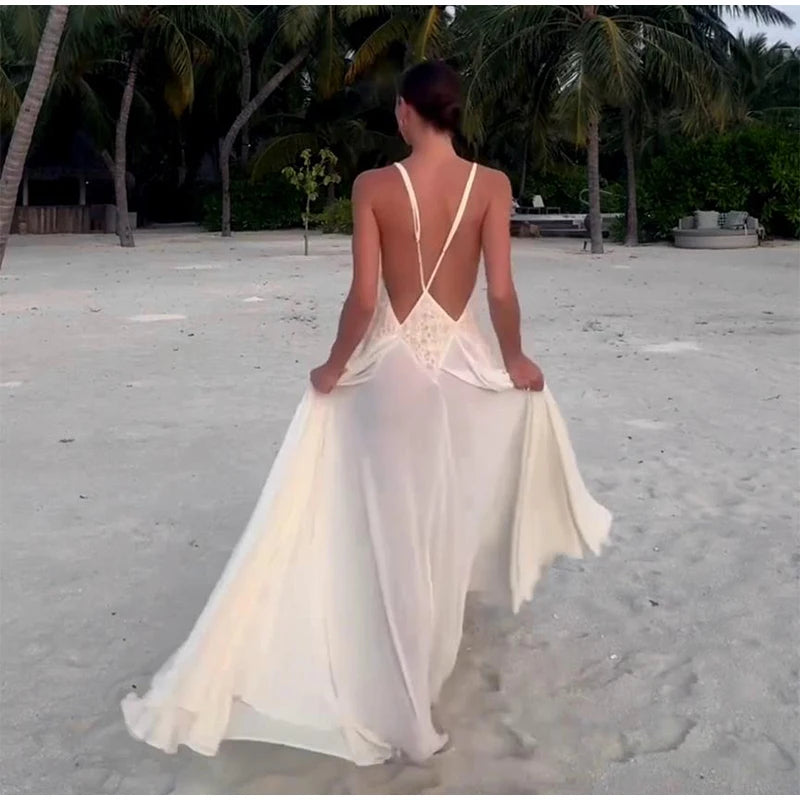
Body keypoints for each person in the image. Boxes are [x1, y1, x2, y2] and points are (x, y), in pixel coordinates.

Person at [121, 60, 611, 766]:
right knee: (441, 525)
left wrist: (331, 365)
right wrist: (516, 361)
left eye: (399, 109)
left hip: (395, 371)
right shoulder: (493, 186)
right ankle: (422, 680)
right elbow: (499, 292)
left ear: (410, 111)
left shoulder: (375, 186)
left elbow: (362, 299)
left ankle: (405, 705)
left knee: (392, 533)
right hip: (465, 369)